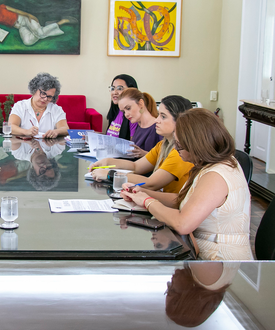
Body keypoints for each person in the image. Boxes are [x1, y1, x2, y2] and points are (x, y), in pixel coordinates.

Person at [121, 109, 253, 260]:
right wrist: (143, 193)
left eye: (180, 146)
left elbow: (183, 223)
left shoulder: (216, 175)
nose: (177, 150)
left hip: (219, 261)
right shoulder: (210, 165)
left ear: (196, 145)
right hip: (200, 252)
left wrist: (147, 202)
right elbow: (185, 201)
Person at [90, 95, 194, 193]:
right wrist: (106, 162)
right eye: (158, 115)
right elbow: (136, 166)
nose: (157, 120)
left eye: (163, 116)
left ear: (181, 120)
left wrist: (110, 174)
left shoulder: (180, 152)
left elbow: (152, 183)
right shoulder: (163, 144)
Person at [0, 4, 77, 46]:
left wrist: (29, 15)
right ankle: (46, 27)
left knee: (40, 34)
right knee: (27, 42)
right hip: (20, 27)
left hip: (24, 19)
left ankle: (61, 22)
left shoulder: (1, 7)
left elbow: (16, 10)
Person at [8, 72, 69, 138]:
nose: (45, 99)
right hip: (24, 145)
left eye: (49, 96)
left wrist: (56, 131)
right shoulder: (20, 106)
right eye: (43, 94)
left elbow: (65, 128)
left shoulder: (56, 109)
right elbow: (11, 127)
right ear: (34, 90)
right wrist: (26, 132)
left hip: (48, 146)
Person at [118, 88, 161, 158]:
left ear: (141, 103)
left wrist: (145, 154)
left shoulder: (158, 127)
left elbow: (166, 158)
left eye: (128, 108)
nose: (126, 114)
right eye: (123, 112)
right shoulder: (139, 126)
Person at [105, 74, 139, 141]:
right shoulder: (116, 110)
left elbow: (133, 146)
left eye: (119, 88)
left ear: (132, 91)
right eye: (112, 88)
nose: (114, 92)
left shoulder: (132, 115)